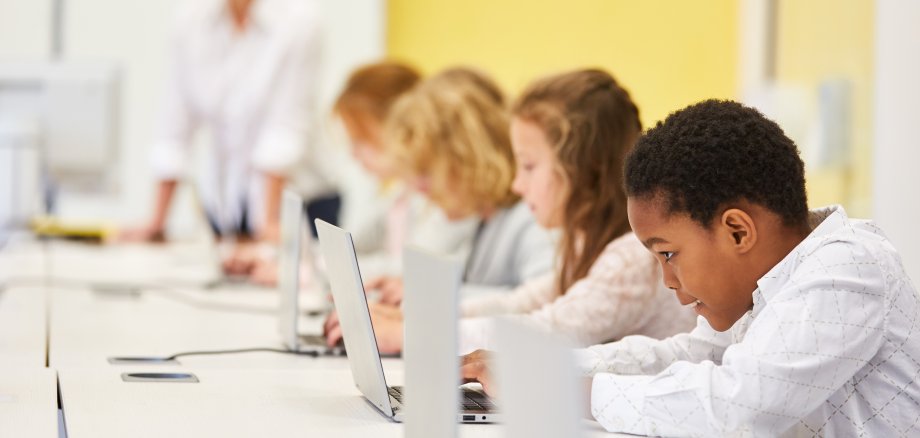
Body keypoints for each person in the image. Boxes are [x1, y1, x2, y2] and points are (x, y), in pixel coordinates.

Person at [462, 99, 920, 436]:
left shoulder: (848, 269)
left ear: (738, 232)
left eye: (667, 254)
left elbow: (741, 407)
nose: (667, 280)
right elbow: (685, 355)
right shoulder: (775, 278)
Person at [336, 69, 697, 355]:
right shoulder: (585, 242)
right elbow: (520, 303)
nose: (516, 185)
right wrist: (416, 315)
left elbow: (549, 330)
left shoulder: (632, 258)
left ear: (582, 170)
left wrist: (413, 333)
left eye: (528, 166)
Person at [324, 68, 557, 353]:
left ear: (468, 160)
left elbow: (548, 308)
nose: (420, 190)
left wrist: (430, 301)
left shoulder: (532, 220)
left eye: (426, 173)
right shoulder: (477, 217)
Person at [123, 0, 323, 259]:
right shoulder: (190, 19)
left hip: (296, 200)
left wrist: (269, 222)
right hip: (227, 202)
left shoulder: (300, 18)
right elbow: (175, 122)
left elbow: (286, 126)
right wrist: (157, 221)